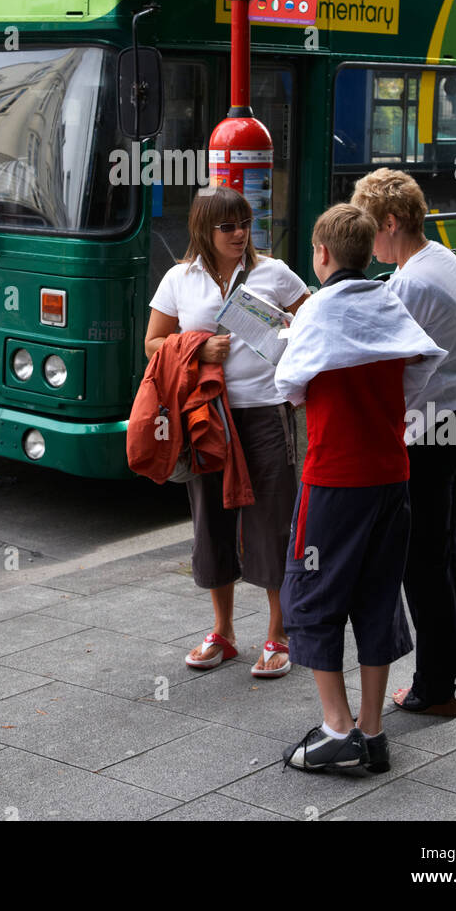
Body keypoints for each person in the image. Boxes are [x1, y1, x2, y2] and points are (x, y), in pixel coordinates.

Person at [273, 203, 445, 772]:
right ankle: (372, 733)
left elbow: (289, 386)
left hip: (334, 479)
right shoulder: (389, 301)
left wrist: (288, 337)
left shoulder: (318, 312)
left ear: (321, 254)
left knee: (312, 596)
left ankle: (336, 728)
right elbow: (419, 373)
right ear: (369, 249)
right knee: (377, 595)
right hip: (390, 475)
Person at [144, 186, 308, 677]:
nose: (240, 234)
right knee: (210, 522)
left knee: (272, 521)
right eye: (228, 226)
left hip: (265, 411)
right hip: (205, 415)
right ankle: (224, 631)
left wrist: (283, 334)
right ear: (204, 230)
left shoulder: (272, 273)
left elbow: (315, 326)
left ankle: (278, 634)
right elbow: (153, 343)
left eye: (245, 224)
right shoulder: (179, 278)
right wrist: (195, 349)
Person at [350, 168, 456, 717]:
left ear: (390, 222)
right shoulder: (438, 258)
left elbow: (389, 368)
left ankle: (438, 688)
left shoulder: (412, 282)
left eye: (368, 229)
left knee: (421, 564)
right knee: (443, 553)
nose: (364, 242)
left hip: (429, 436)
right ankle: (454, 677)